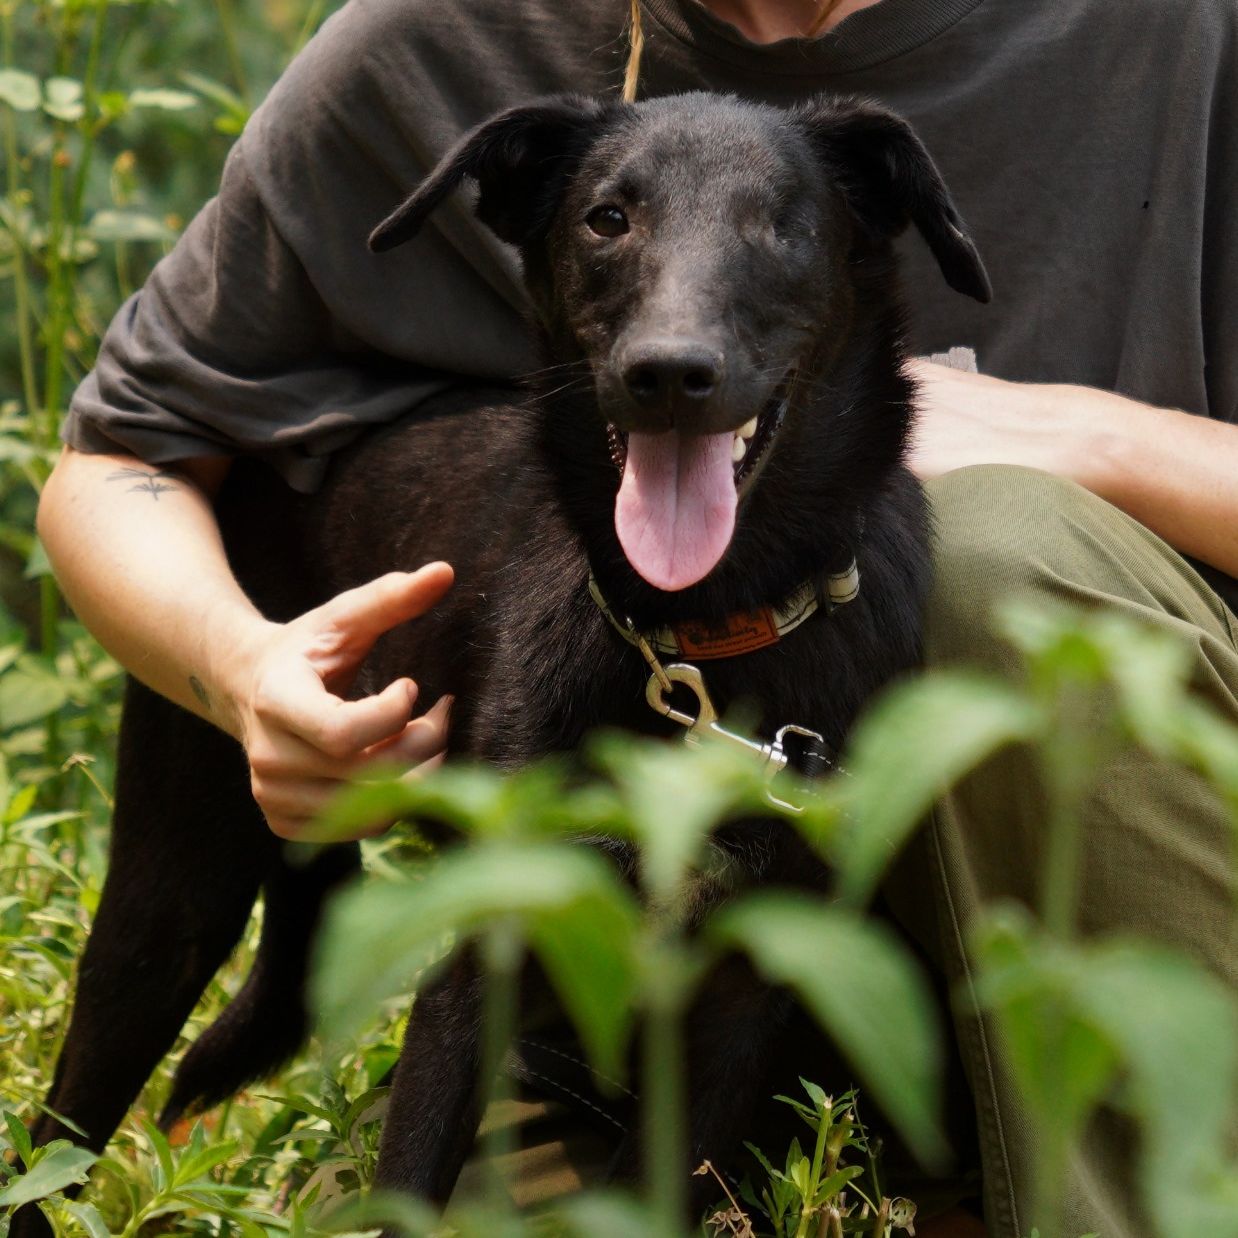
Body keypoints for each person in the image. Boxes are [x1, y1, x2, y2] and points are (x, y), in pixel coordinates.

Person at [34, 0, 1238, 1234]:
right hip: (645, 988)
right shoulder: (437, 46)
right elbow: (120, 449)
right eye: (610, 223)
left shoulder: (1181, 38)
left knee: (993, 544)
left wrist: (1092, 439)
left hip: (1137, 884)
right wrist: (241, 667)